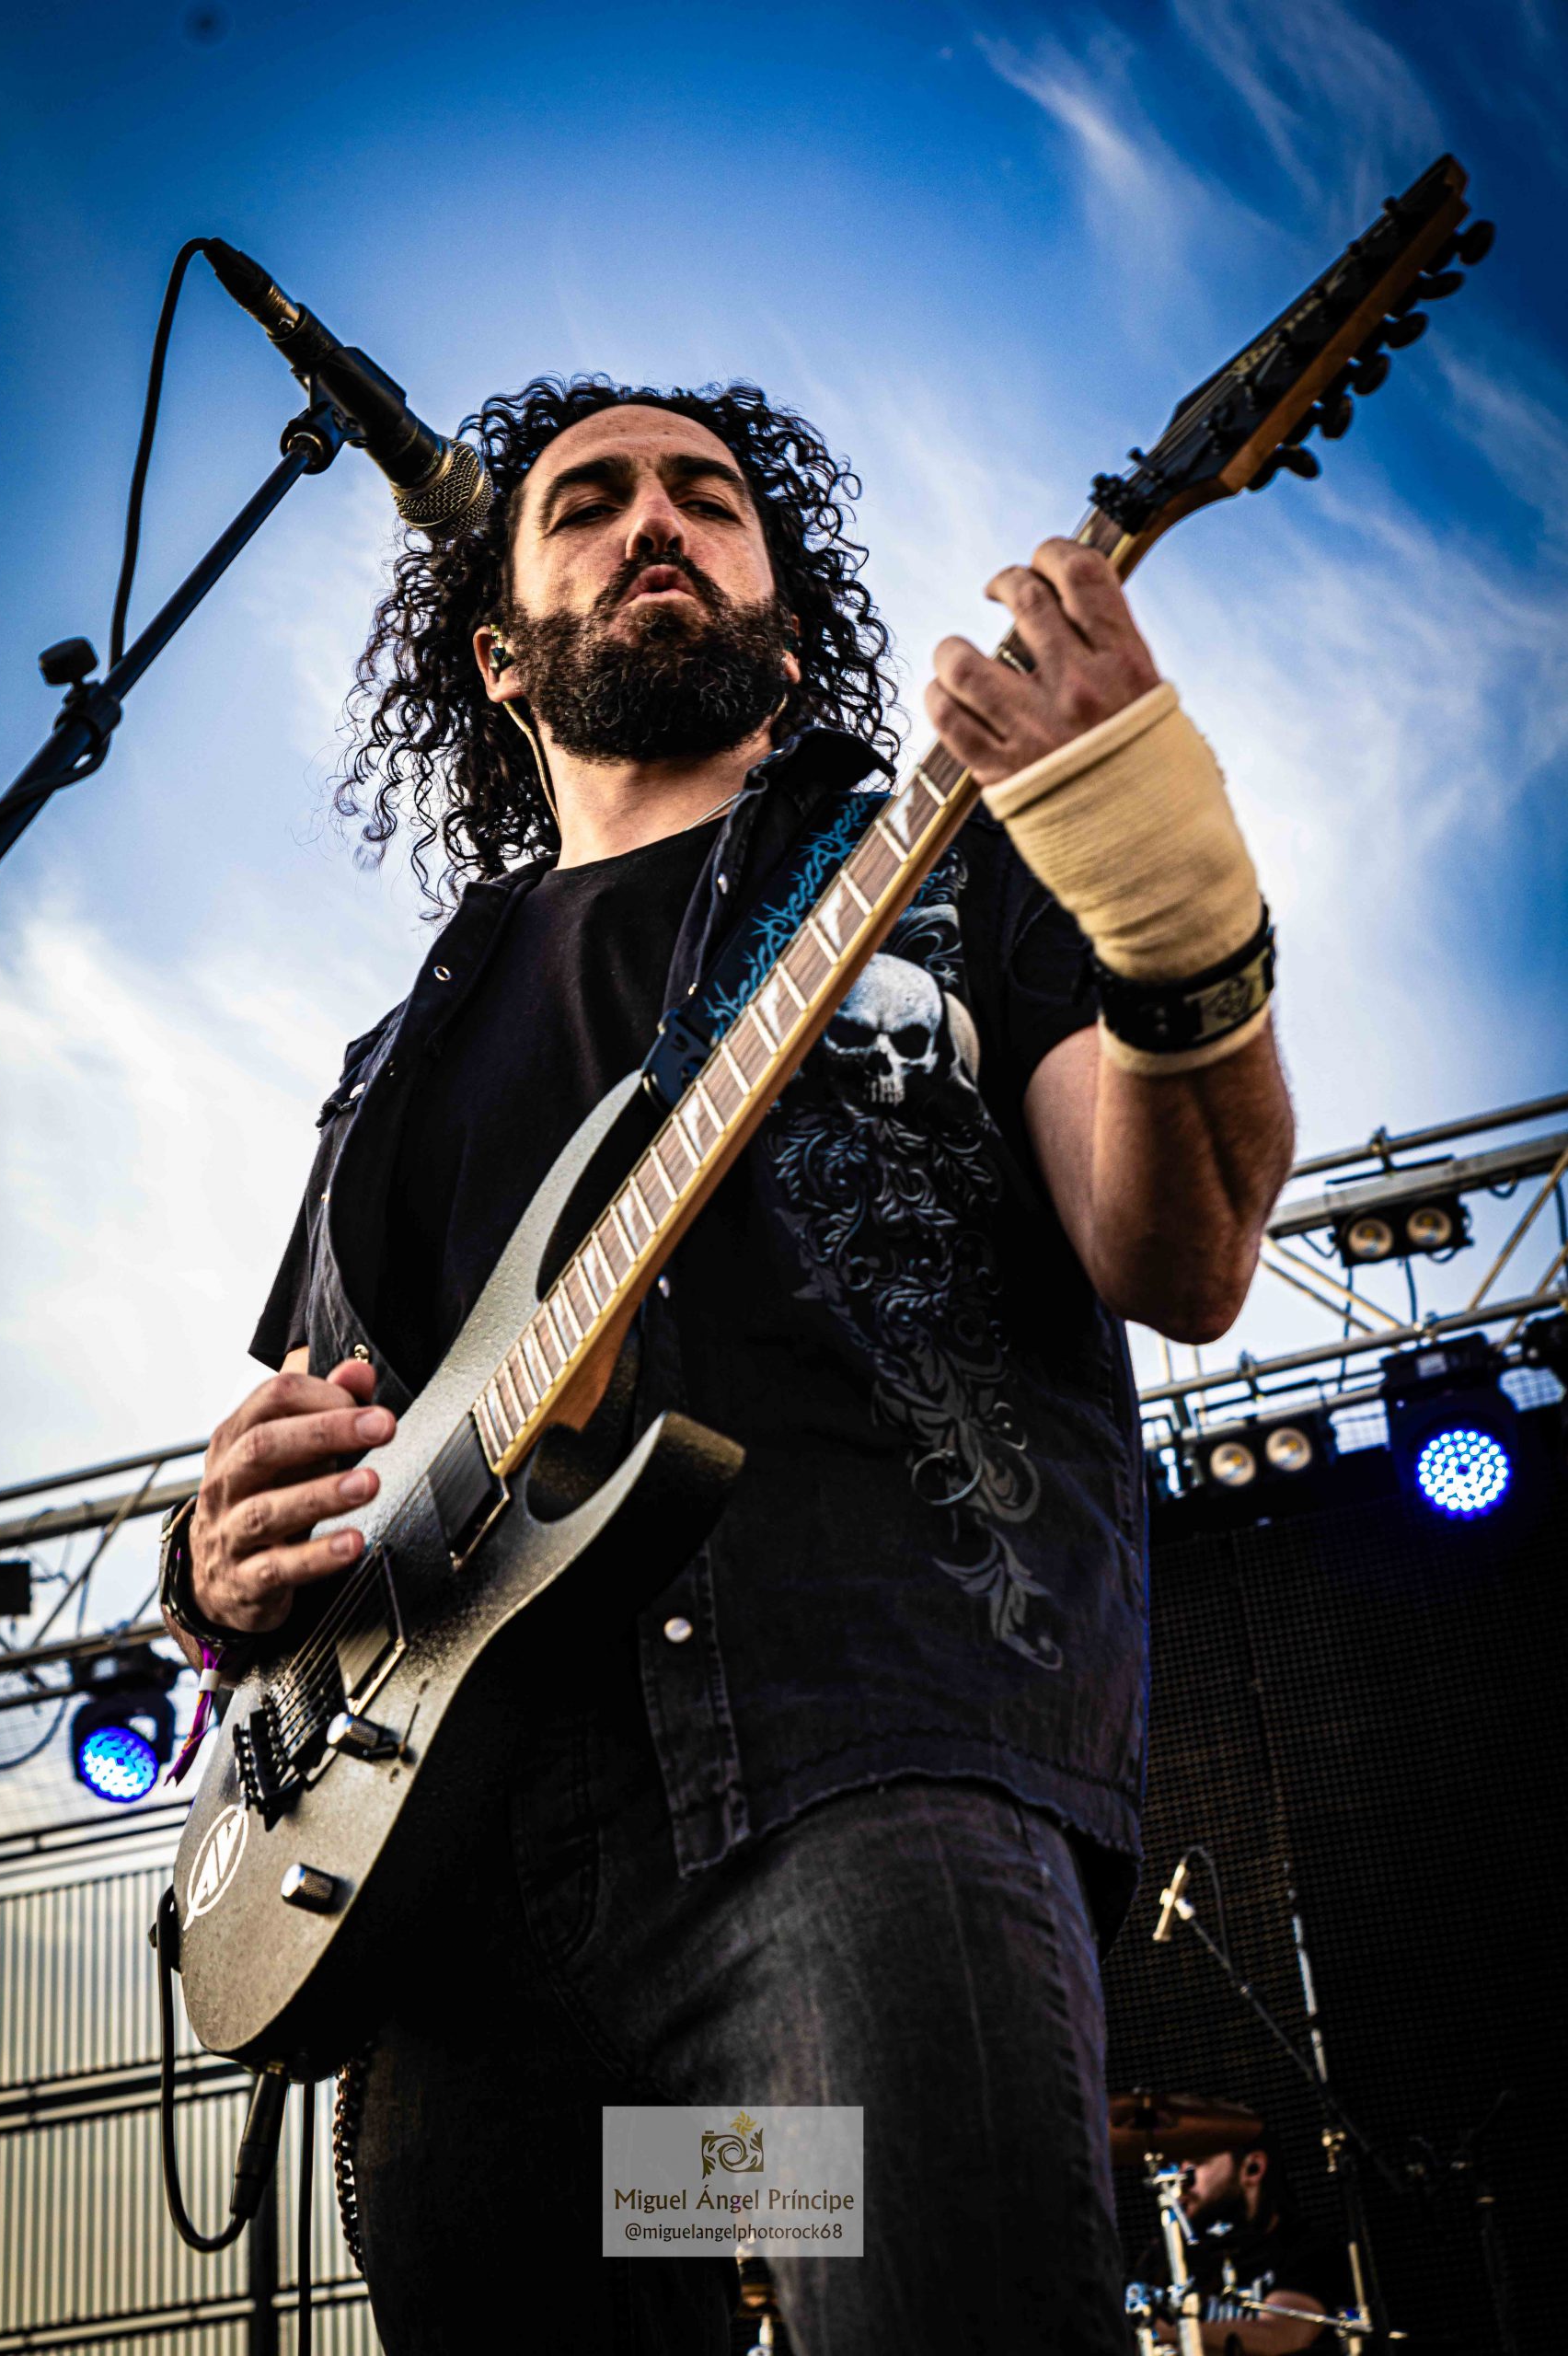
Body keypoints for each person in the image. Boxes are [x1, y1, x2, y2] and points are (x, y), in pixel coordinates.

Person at [160, 376, 1295, 2353]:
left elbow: (1178, 1256)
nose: (655, 520)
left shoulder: (956, 872)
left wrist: (1157, 872)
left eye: (707, 495)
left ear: (781, 618)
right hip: (474, 1936)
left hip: (849, 1810)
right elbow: (320, 1454)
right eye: (588, 500)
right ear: (500, 654)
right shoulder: (398, 1057)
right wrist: (214, 1564)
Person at [1142, 2130, 1351, 2351]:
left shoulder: (1306, 2247)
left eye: (1197, 2163)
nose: (1181, 2179)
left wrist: (1167, 2333)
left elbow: (1279, 2335)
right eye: (1175, 2166)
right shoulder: (1163, 2258)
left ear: (1253, 2168)